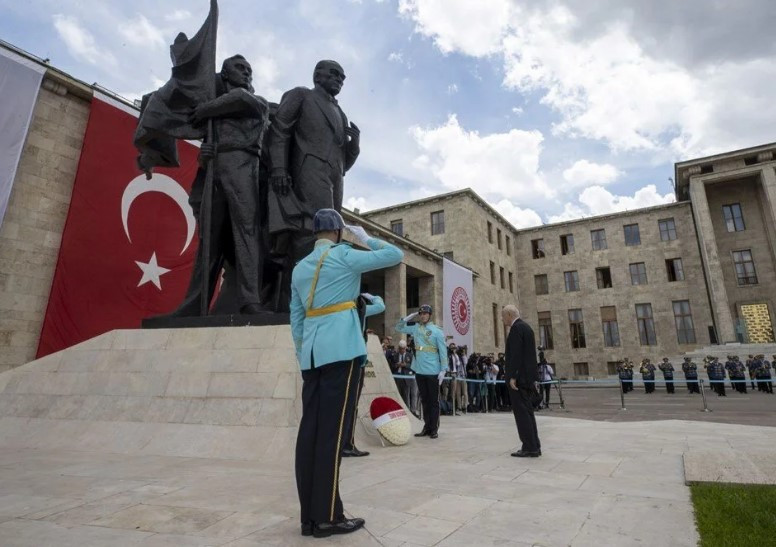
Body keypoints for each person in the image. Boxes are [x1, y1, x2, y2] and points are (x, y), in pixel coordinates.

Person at [290, 209, 402, 538]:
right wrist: (365, 238)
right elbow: (394, 254)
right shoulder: (344, 255)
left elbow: (296, 319)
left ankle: (309, 517)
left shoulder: (300, 268)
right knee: (334, 434)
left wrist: (304, 354)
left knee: (310, 432)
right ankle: (327, 518)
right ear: (338, 232)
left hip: (312, 356)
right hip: (342, 350)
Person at [169, 55, 269, 316]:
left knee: (246, 233)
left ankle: (250, 300)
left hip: (243, 168)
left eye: (249, 69)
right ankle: (193, 303)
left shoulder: (253, 101)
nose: (246, 73)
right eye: (239, 68)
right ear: (224, 75)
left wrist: (205, 109)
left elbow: (242, 99)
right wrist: (206, 154)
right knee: (209, 242)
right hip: (215, 170)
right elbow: (205, 151)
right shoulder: (218, 115)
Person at [267, 60, 360, 304]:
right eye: (334, 74)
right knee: (310, 233)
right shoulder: (301, 96)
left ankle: (318, 297)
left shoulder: (341, 113)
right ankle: (289, 302)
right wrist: (278, 168)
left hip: (333, 178)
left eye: (342, 77)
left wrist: (355, 146)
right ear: (317, 76)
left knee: (329, 238)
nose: (340, 79)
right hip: (306, 171)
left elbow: (343, 165)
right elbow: (280, 131)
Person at [342, 293, 385, 458]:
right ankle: (346, 445)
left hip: (337, 359)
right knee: (351, 404)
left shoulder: (338, 307)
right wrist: (372, 296)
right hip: (355, 359)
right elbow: (381, 306)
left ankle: (337, 444)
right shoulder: (360, 307)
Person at [396, 304, 448, 438]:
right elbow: (398, 328)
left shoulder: (437, 331)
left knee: (433, 401)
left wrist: (443, 369)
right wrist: (406, 318)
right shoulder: (416, 328)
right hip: (419, 369)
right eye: (421, 313)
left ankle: (434, 428)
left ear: (430, 315)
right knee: (424, 400)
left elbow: (443, 351)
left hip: (432, 370)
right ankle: (427, 426)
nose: (423, 315)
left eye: (425, 313)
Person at [502, 305, 541, 458]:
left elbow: (517, 354)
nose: (502, 319)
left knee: (522, 414)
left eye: (503, 316)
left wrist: (512, 376)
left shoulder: (516, 329)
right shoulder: (527, 328)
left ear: (510, 315)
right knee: (528, 412)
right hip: (527, 378)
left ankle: (529, 447)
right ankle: (534, 445)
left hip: (519, 380)